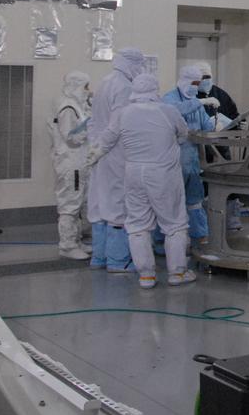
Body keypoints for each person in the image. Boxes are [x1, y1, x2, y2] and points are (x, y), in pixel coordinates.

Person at [93, 74, 195, 289]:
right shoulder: (167, 110)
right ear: (155, 89)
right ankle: (177, 272)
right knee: (174, 223)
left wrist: (91, 157)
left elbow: (106, 140)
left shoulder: (123, 113)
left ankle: (146, 275)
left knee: (137, 224)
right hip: (163, 173)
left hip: (133, 173)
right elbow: (183, 134)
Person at [86, 47, 145, 272]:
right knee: (118, 203)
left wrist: (95, 146)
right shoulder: (124, 86)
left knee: (100, 202)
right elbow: (118, 124)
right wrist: (104, 146)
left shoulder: (105, 81)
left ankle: (99, 257)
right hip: (115, 152)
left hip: (100, 150)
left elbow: (93, 120)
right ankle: (117, 261)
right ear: (132, 64)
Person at [163, 65, 213, 242]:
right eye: (193, 82)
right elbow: (175, 111)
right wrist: (200, 102)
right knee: (171, 201)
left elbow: (206, 125)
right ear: (183, 80)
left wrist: (217, 124)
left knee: (195, 200)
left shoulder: (196, 102)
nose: (195, 86)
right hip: (174, 159)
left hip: (192, 159)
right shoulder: (169, 98)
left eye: (197, 83)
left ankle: (199, 234)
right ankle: (164, 240)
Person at [47, 71, 91, 260]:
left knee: (78, 202)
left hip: (77, 161)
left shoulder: (75, 106)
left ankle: (77, 240)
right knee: (70, 204)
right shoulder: (68, 108)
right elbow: (72, 137)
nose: (88, 91)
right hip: (70, 162)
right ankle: (67, 245)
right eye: (86, 87)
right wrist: (90, 129)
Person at [196, 62, 238, 162]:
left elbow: (233, 114)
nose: (205, 80)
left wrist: (239, 123)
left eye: (208, 77)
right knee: (203, 169)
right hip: (200, 142)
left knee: (225, 167)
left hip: (221, 140)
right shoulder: (191, 95)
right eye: (202, 77)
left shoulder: (220, 94)